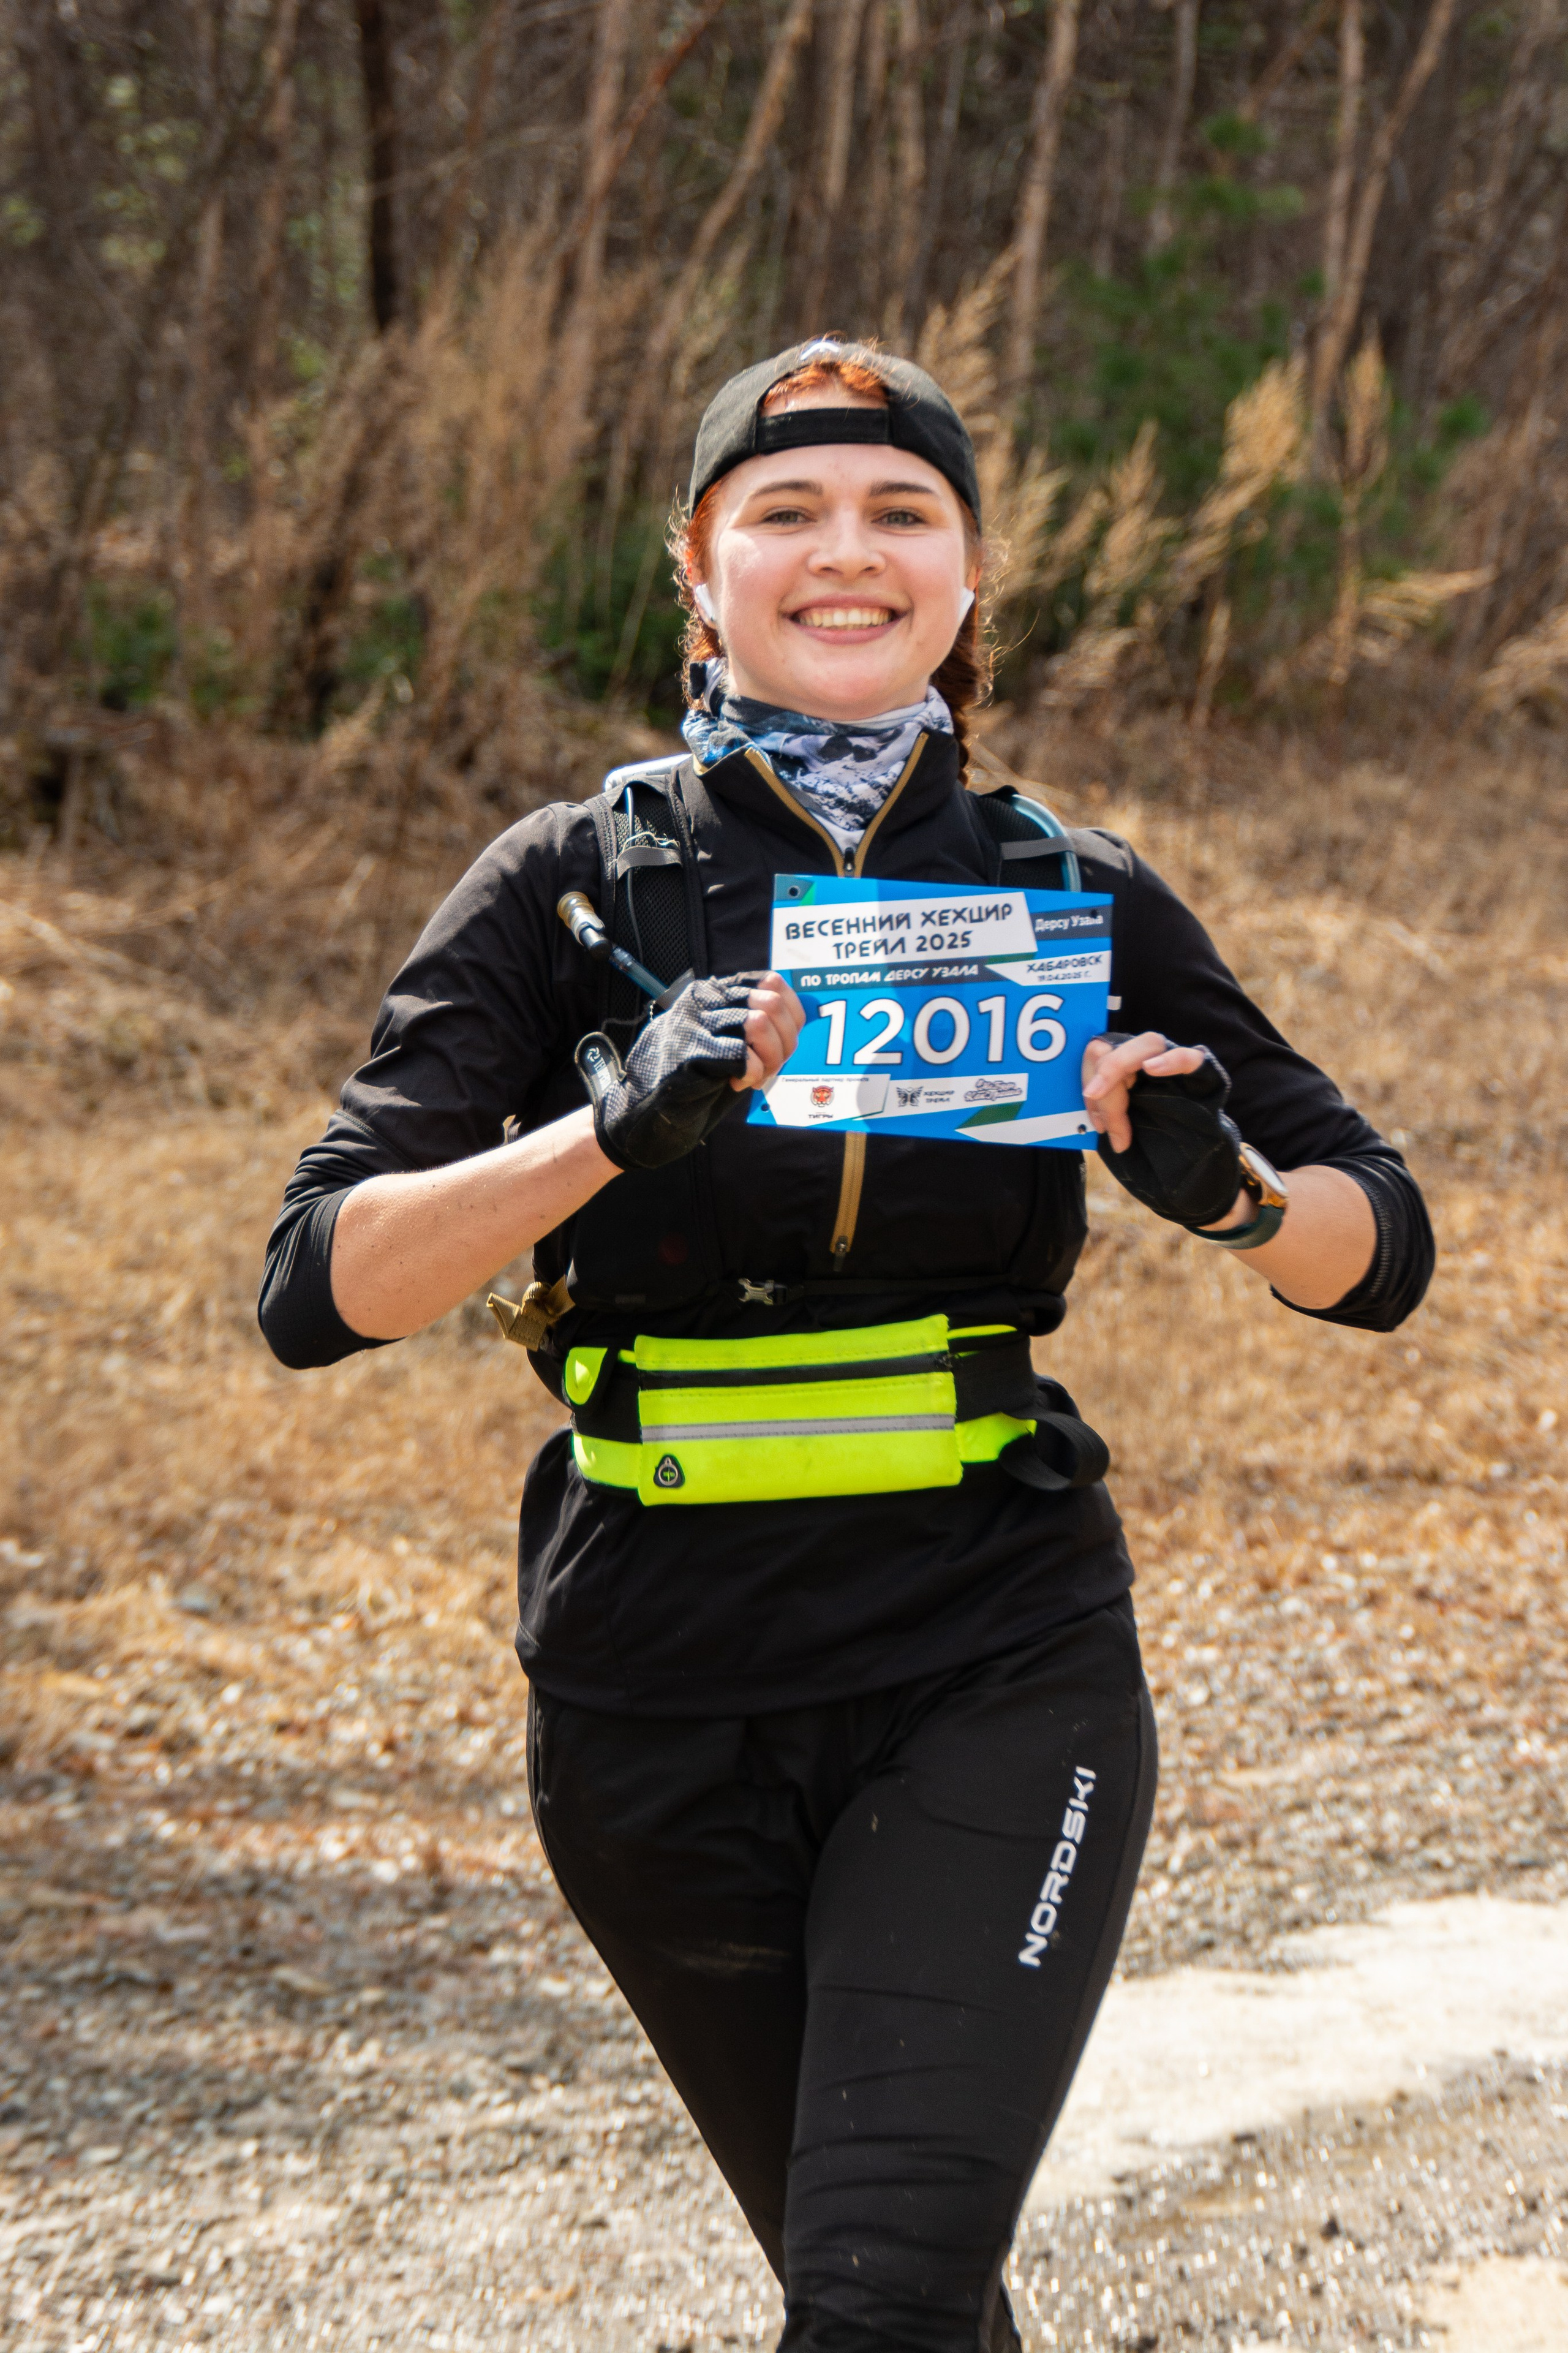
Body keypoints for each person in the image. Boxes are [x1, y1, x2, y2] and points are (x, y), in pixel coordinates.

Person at [259, 338, 1433, 2352]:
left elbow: (1381, 1246)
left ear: (968, 583)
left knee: (877, 2302)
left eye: (904, 514)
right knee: (901, 2297)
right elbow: (316, 1284)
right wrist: (608, 1125)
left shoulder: (1066, 886)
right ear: (697, 575)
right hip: (654, 1698)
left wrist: (1227, 1192)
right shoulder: (574, 891)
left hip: (994, 1656)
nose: (847, 554)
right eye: (785, 514)